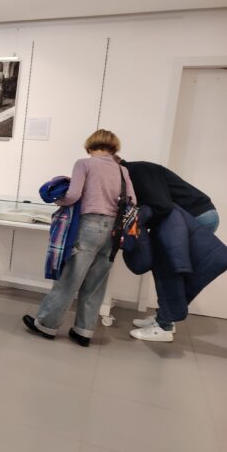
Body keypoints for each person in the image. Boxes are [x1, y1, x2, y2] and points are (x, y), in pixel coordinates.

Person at [23, 129, 136, 347]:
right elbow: (132, 200)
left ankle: (46, 325)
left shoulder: (84, 164)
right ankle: (84, 331)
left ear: (90, 145)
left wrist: (59, 200)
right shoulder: (122, 170)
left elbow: (73, 195)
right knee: (96, 283)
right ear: (113, 147)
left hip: (89, 226)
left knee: (69, 279)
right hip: (114, 231)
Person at [116, 157, 221, 338]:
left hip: (196, 216)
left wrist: (139, 219)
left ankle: (164, 326)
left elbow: (161, 205)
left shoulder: (138, 170)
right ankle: (164, 319)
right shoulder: (136, 172)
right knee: (168, 269)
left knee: (170, 270)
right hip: (191, 216)